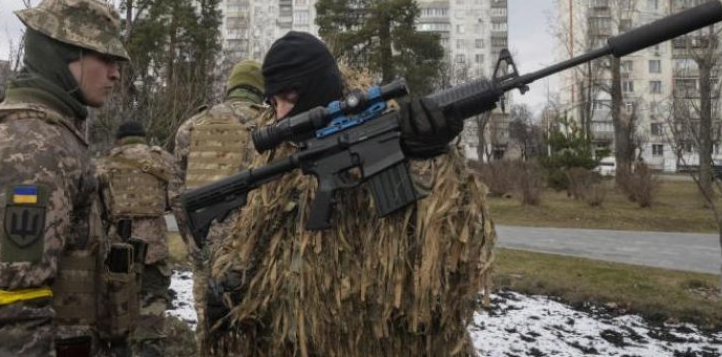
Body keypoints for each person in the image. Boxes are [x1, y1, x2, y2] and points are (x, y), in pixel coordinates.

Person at [203, 31, 495, 356]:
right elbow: (250, 234)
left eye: (289, 96)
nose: (281, 113)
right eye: (273, 102)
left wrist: (431, 157)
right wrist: (229, 285)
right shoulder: (278, 149)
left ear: (317, 85)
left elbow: (449, 255)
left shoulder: (389, 129)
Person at [0, 0, 131, 356]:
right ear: (61, 57)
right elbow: (8, 315)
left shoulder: (47, 135)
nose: (115, 74)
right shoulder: (30, 148)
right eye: (104, 58)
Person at [169, 59, 266, 345]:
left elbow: (176, 195)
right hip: (250, 245)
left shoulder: (190, 126)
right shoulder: (266, 123)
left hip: (206, 243)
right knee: (254, 326)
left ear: (231, 86)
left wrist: (193, 241)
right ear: (261, 90)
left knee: (209, 327)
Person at [96, 120, 184, 356]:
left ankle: (121, 349)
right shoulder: (162, 159)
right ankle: (149, 348)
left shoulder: (104, 163)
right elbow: (176, 200)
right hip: (154, 248)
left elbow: (98, 209)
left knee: (118, 308)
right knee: (153, 307)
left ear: (119, 139)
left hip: (117, 250)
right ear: (143, 138)